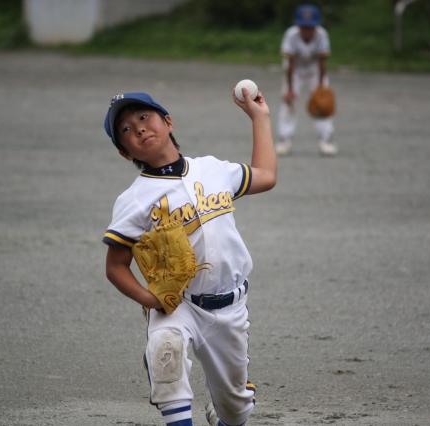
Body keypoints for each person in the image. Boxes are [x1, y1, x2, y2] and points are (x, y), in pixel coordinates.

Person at [101, 89, 277, 426]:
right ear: (125, 153)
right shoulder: (133, 200)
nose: (137, 128)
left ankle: (227, 405)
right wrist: (150, 300)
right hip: (178, 304)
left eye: (143, 117)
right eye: (124, 129)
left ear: (167, 122)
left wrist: (260, 118)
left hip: (230, 307)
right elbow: (115, 267)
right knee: (165, 350)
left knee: (235, 411)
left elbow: (266, 176)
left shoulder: (212, 170)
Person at [275, 3, 337, 156]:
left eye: (310, 26)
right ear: (298, 25)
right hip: (294, 71)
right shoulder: (291, 34)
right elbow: (289, 64)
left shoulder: (322, 34)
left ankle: (326, 140)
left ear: (316, 26)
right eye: (304, 26)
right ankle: (284, 140)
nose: (307, 30)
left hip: (315, 71)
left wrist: (321, 87)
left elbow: (323, 63)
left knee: (323, 104)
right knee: (287, 102)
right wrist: (290, 90)